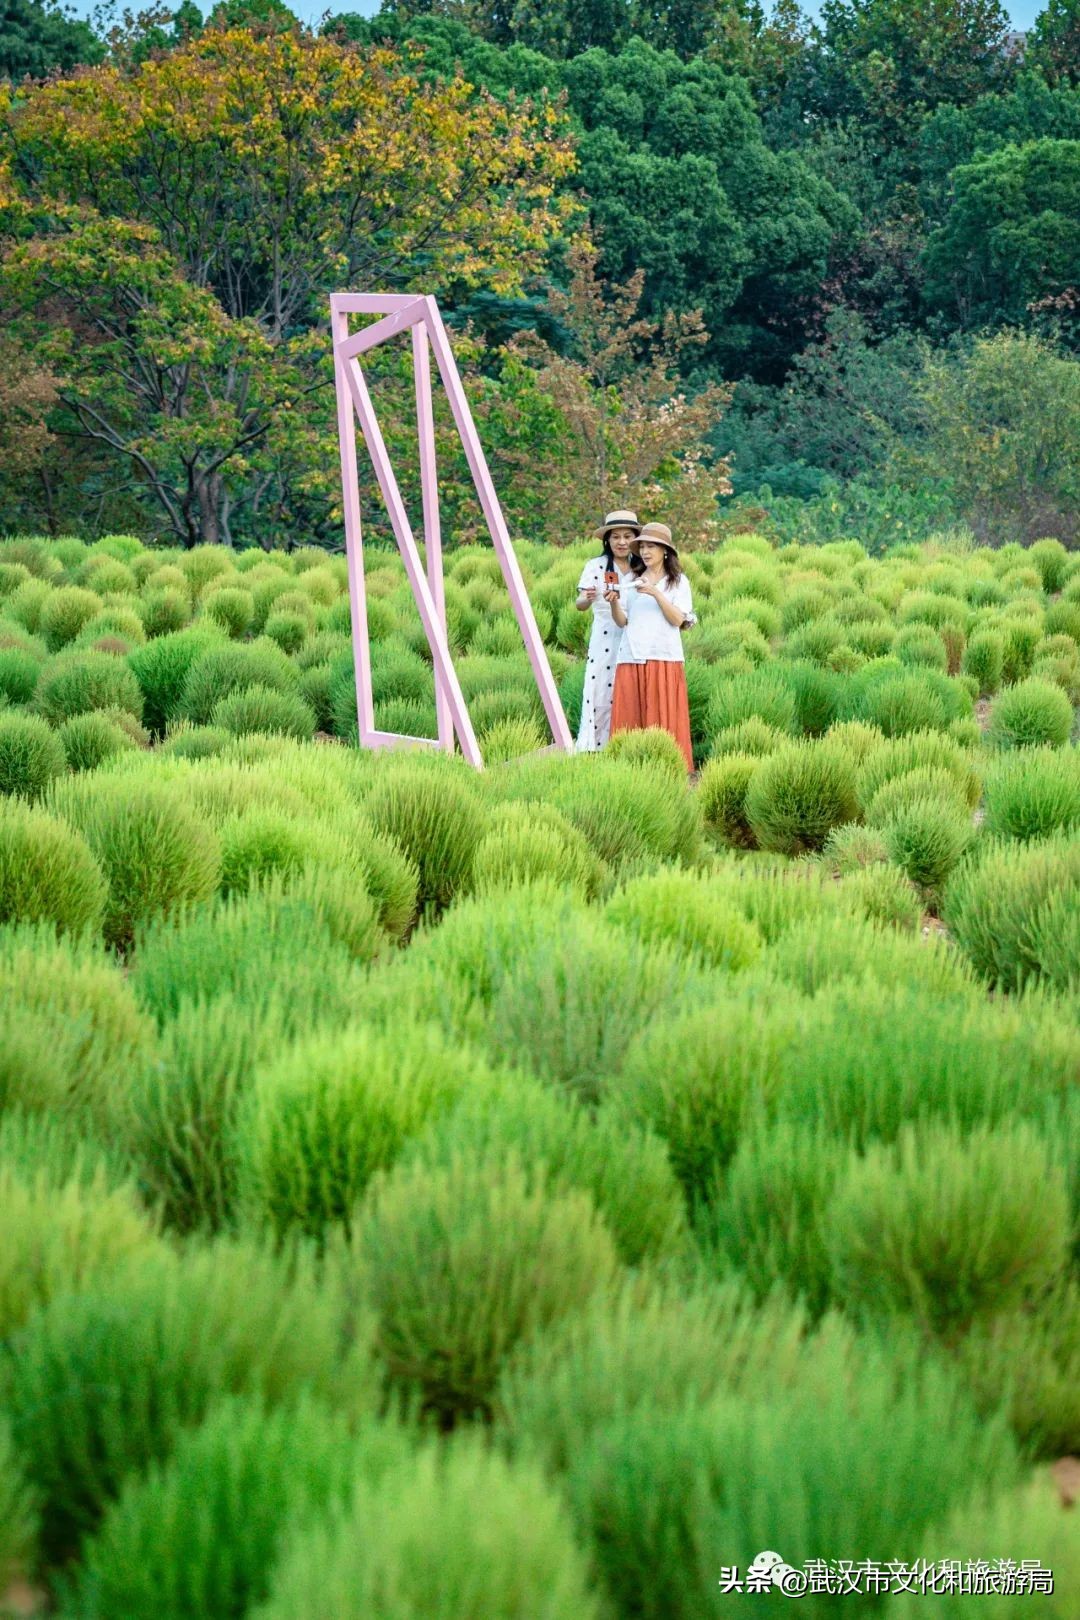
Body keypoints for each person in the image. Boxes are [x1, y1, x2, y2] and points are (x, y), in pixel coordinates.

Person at [609, 520, 695, 771]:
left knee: (664, 716)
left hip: (663, 656)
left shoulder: (677, 582)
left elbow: (679, 619)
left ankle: (668, 768)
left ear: (665, 551)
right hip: (632, 654)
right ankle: (630, 768)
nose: (645, 552)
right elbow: (622, 620)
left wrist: (656, 593)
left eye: (651, 547)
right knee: (630, 715)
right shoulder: (631, 580)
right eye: (643, 547)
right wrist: (614, 601)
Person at [574, 509, 644, 752]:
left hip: (635, 635)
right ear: (608, 540)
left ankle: (626, 742)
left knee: (630, 689)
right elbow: (580, 604)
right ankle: (595, 745)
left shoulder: (642, 567)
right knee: (600, 686)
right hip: (604, 635)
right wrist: (588, 598)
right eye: (616, 537)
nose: (622, 542)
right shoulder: (596, 566)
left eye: (627, 536)